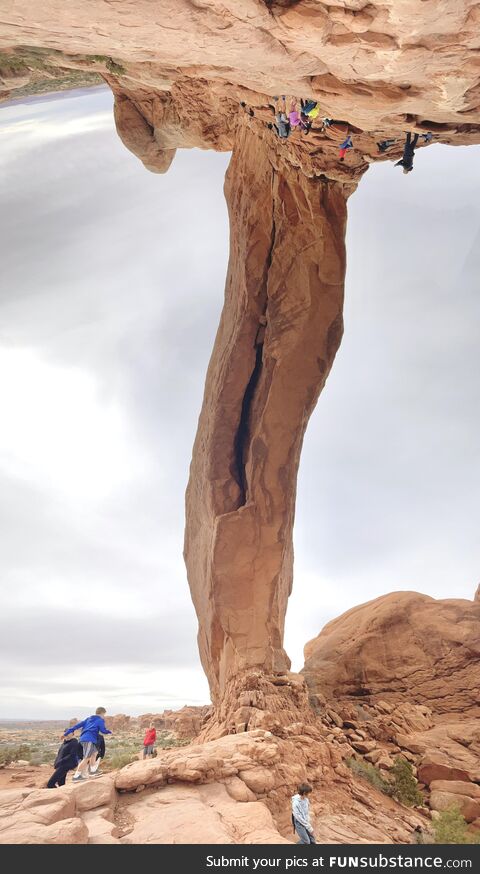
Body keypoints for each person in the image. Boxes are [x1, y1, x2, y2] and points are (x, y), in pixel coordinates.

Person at [63, 707, 112, 782]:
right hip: (89, 740)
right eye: (104, 715)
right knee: (86, 758)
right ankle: (76, 776)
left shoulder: (88, 719)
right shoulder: (100, 720)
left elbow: (76, 726)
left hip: (84, 739)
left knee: (94, 753)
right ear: (102, 713)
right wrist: (109, 732)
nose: (104, 716)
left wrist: (66, 733)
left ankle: (93, 771)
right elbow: (103, 730)